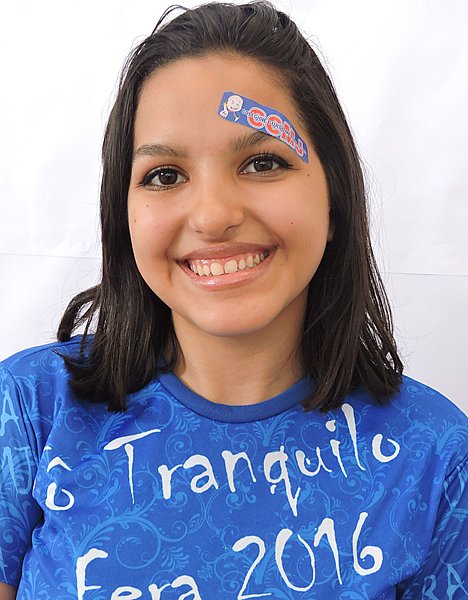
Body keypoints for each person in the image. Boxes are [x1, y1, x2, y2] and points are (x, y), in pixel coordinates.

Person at [0, 2, 466, 598]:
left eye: (263, 162)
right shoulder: (28, 410)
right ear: (125, 213)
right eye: (165, 175)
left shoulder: (439, 459)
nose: (213, 215)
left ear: (335, 201)